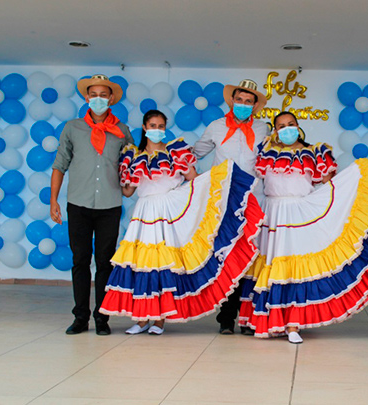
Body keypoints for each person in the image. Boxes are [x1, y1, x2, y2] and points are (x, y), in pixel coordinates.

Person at [238, 111, 368, 344]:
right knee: (271, 265)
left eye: (290, 124)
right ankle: (267, 320)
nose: (286, 129)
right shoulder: (266, 152)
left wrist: (343, 193)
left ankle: (293, 324)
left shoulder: (314, 152)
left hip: (300, 213)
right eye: (281, 126)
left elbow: (329, 184)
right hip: (272, 214)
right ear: (275, 130)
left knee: (294, 268)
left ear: (298, 126)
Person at [98, 110, 263, 334]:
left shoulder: (176, 154)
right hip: (144, 212)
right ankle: (141, 319)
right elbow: (128, 192)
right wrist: (121, 174)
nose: (157, 130)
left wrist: (213, 186)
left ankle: (159, 320)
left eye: (160, 126)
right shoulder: (133, 157)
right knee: (142, 264)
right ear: (145, 128)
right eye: (153, 125)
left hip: (168, 212)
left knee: (164, 264)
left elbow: (193, 180)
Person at [51, 74, 135, 336]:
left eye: (103, 94)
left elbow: (130, 166)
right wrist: (53, 200)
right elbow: (59, 164)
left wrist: (131, 186)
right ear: (87, 98)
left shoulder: (122, 131)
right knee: (80, 260)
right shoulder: (72, 127)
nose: (98, 99)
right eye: (93, 94)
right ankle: (80, 317)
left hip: (109, 205)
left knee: (105, 262)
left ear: (111, 98)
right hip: (78, 203)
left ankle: (102, 317)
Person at [193, 79, 269, 335]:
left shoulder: (263, 129)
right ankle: (226, 318)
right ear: (232, 101)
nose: (244, 105)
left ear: (255, 105)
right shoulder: (216, 126)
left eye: (249, 102)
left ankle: (248, 317)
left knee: (251, 258)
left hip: (255, 200)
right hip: (225, 201)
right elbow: (195, 153)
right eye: (240, 100)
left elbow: (275, 156)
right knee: (228, 256)